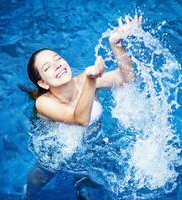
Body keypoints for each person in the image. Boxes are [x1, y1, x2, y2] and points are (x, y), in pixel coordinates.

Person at [24, 15, 142, 199]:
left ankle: (80, 189)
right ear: (43, 83)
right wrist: (91, 80)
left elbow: (127, 78)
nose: (57, 65)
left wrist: (116, 43)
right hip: (57, 150)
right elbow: (80, 119)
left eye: (57, 58)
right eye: (48, 67)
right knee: (41, 177)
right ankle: (26, 195)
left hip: (92, 142)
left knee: (87, 178)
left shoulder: (84, 80)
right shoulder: (44, 103)